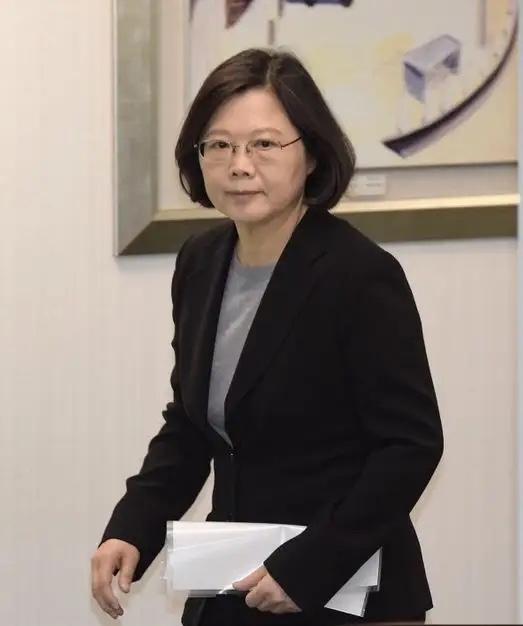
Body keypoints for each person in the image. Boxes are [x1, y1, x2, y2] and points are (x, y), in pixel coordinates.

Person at [90, 47, 443, 626]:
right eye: (219, 145)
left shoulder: (358, 274)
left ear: (312, 154)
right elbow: (192, 422)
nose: (239, 165)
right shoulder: (201, 262)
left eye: (264, 144)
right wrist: (133, 527)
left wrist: (310, 566)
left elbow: (410, 446)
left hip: (344, 587)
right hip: (232, 578)